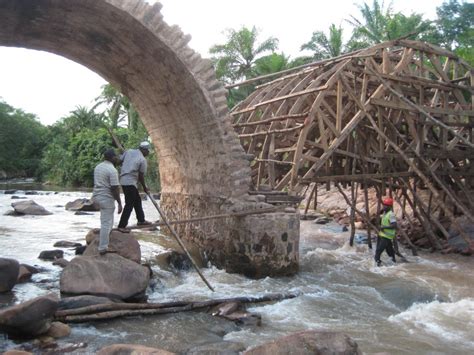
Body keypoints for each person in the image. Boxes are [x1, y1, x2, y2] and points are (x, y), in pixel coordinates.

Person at [92, 148, 123, 255]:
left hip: (96, 197)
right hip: (106, 198)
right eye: (116, 157)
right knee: (106, 223)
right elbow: (115, 188)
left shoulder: (98, 167)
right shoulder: (112, 170)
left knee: (107, 221)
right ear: (112, 157)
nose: (117, 158)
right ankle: (103, 248)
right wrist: (119, 203)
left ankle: (106, 242)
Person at [117, 141, 152, 230]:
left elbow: (120, 161)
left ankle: (141, 220)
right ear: (144, 150)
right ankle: (122, 226)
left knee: (137, 200)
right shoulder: (142, 159)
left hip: (124, 181)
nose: (148, 154)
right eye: (148, 151)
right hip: (130, 182)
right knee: (129, 204)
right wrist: (145, 187)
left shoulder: (128, 151)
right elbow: (141, 176)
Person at [375, 197, 397, 266]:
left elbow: (394, 225)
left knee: (378, 251)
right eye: (384, 205)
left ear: (390, 207)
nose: (384, 206)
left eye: (386, 205)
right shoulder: (385, 213)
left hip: (386, 236)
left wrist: (383, 227)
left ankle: (377, 265)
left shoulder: (391, 214)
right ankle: (394, 263)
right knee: (390, 251)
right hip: (382, 235)